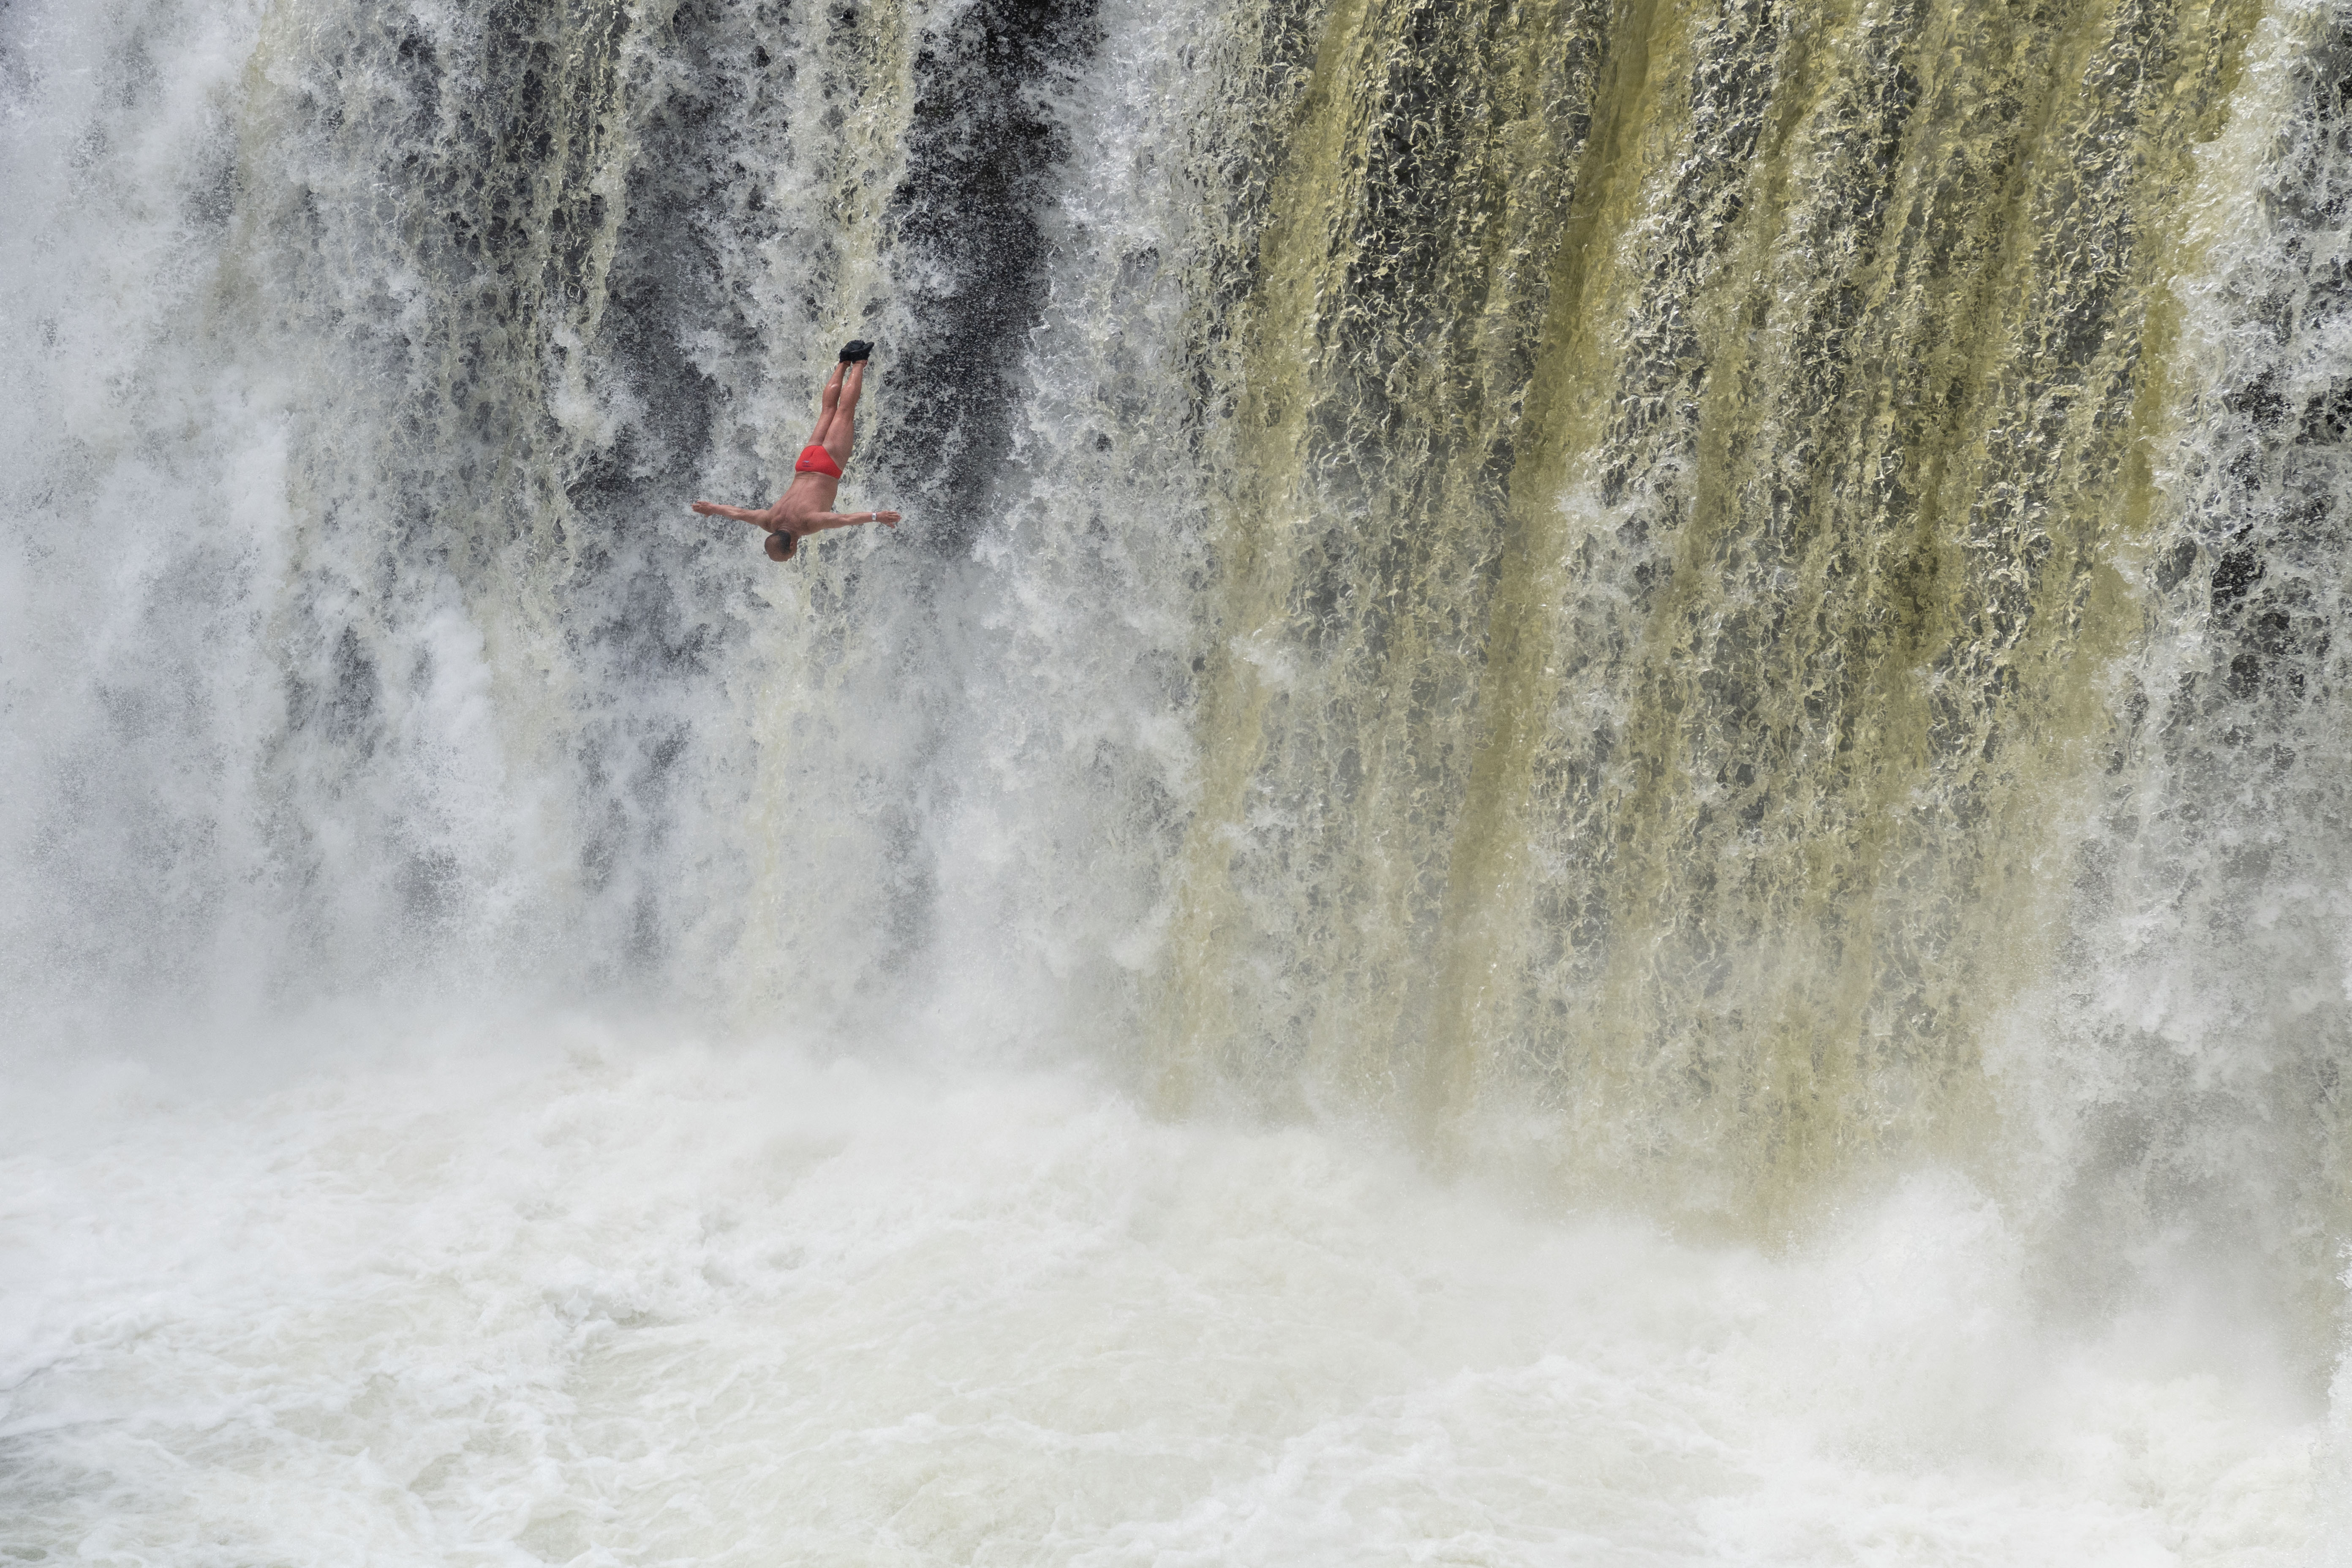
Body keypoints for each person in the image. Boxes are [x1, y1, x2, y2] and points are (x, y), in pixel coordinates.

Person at [691, 341, 901, 562]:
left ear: (792, 545)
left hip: (827, 467)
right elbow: (740, 514)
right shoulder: (769, 521)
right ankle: (843, 362)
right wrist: (712, 508)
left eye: (791, 554)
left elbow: (845, 519)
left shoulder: (807, 525)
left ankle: (859, 362)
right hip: (806, 462)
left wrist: (878, 517)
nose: (794, 554)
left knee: (845, 412)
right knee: (828, 411)